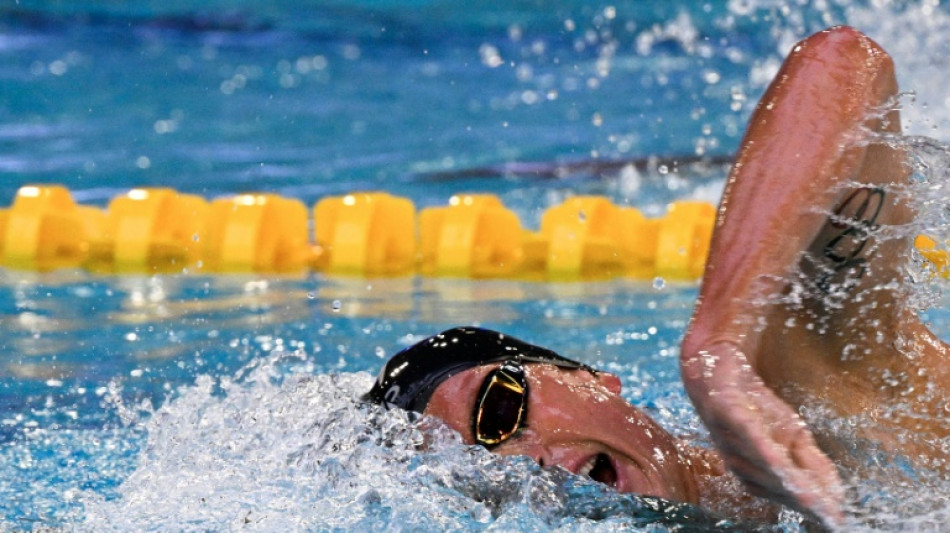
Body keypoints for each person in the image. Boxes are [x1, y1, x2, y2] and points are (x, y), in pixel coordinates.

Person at [365, 26, 949, 528]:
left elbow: (843, 62)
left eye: (500, 412)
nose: (522, 465)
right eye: (479, 476)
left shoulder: (807, 380)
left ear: (594, 379)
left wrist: (718, 343)